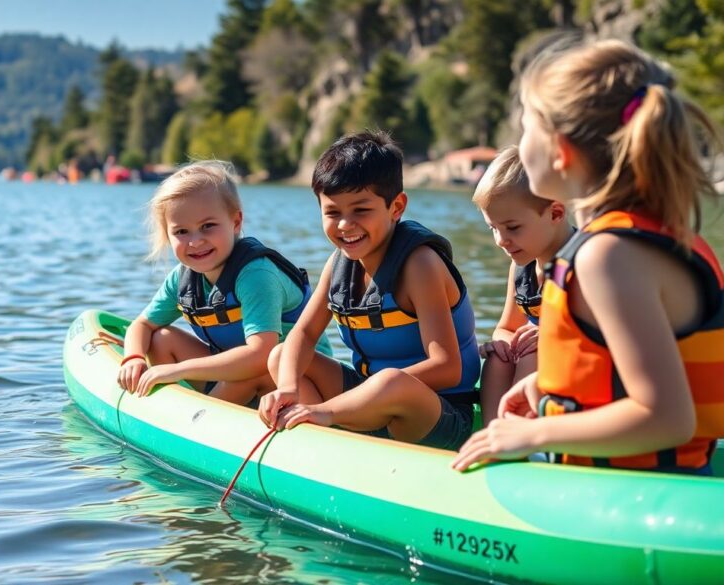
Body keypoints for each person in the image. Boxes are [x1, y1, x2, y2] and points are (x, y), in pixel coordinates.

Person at [453, 39, 724, 475]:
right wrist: (546, 383)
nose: (519, 145)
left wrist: (532, 434)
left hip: (630, 493)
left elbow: (669, 418)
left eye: (526, 131)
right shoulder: (647, 236)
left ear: (560, 151)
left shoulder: (608, 256)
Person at [257, 131, 481, 450]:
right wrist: (288, 388)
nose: (346, 225)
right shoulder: (340, 265)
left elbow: (447, 367)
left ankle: (321, 421)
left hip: (436, 414)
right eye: (333, 213)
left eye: (361, 210)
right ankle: (316, 443)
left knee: (393, 380)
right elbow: (304, 335)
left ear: (396, 207)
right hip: (367, 403)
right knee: (282, 357)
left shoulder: (420, 265)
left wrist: (333, 408)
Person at [117, 160, 332, 405]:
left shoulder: (256, 276)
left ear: (236, 222)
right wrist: (133, 358)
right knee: (161, 338)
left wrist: (180, 370)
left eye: (208, 226)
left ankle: (198, 426)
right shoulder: (182, 278)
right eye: (181, 232)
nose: (195, 241)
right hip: (237, 377)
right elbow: (141, 325)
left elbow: (260, 356)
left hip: (301, 383)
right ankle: (175, 408)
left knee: (247, 371)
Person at [472, 146, 574, 426]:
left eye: (512, 228)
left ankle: (519, 433)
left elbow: (601, 335)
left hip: (571, 371)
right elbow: (506, 326)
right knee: (497, 358)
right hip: (536, 361)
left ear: (555, 213)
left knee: (531, 354)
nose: (501, 240)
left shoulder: (582, 264)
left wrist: (547, 336)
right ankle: (493, 430)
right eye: (493, 228)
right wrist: (505, 344)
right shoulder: (521, 265)